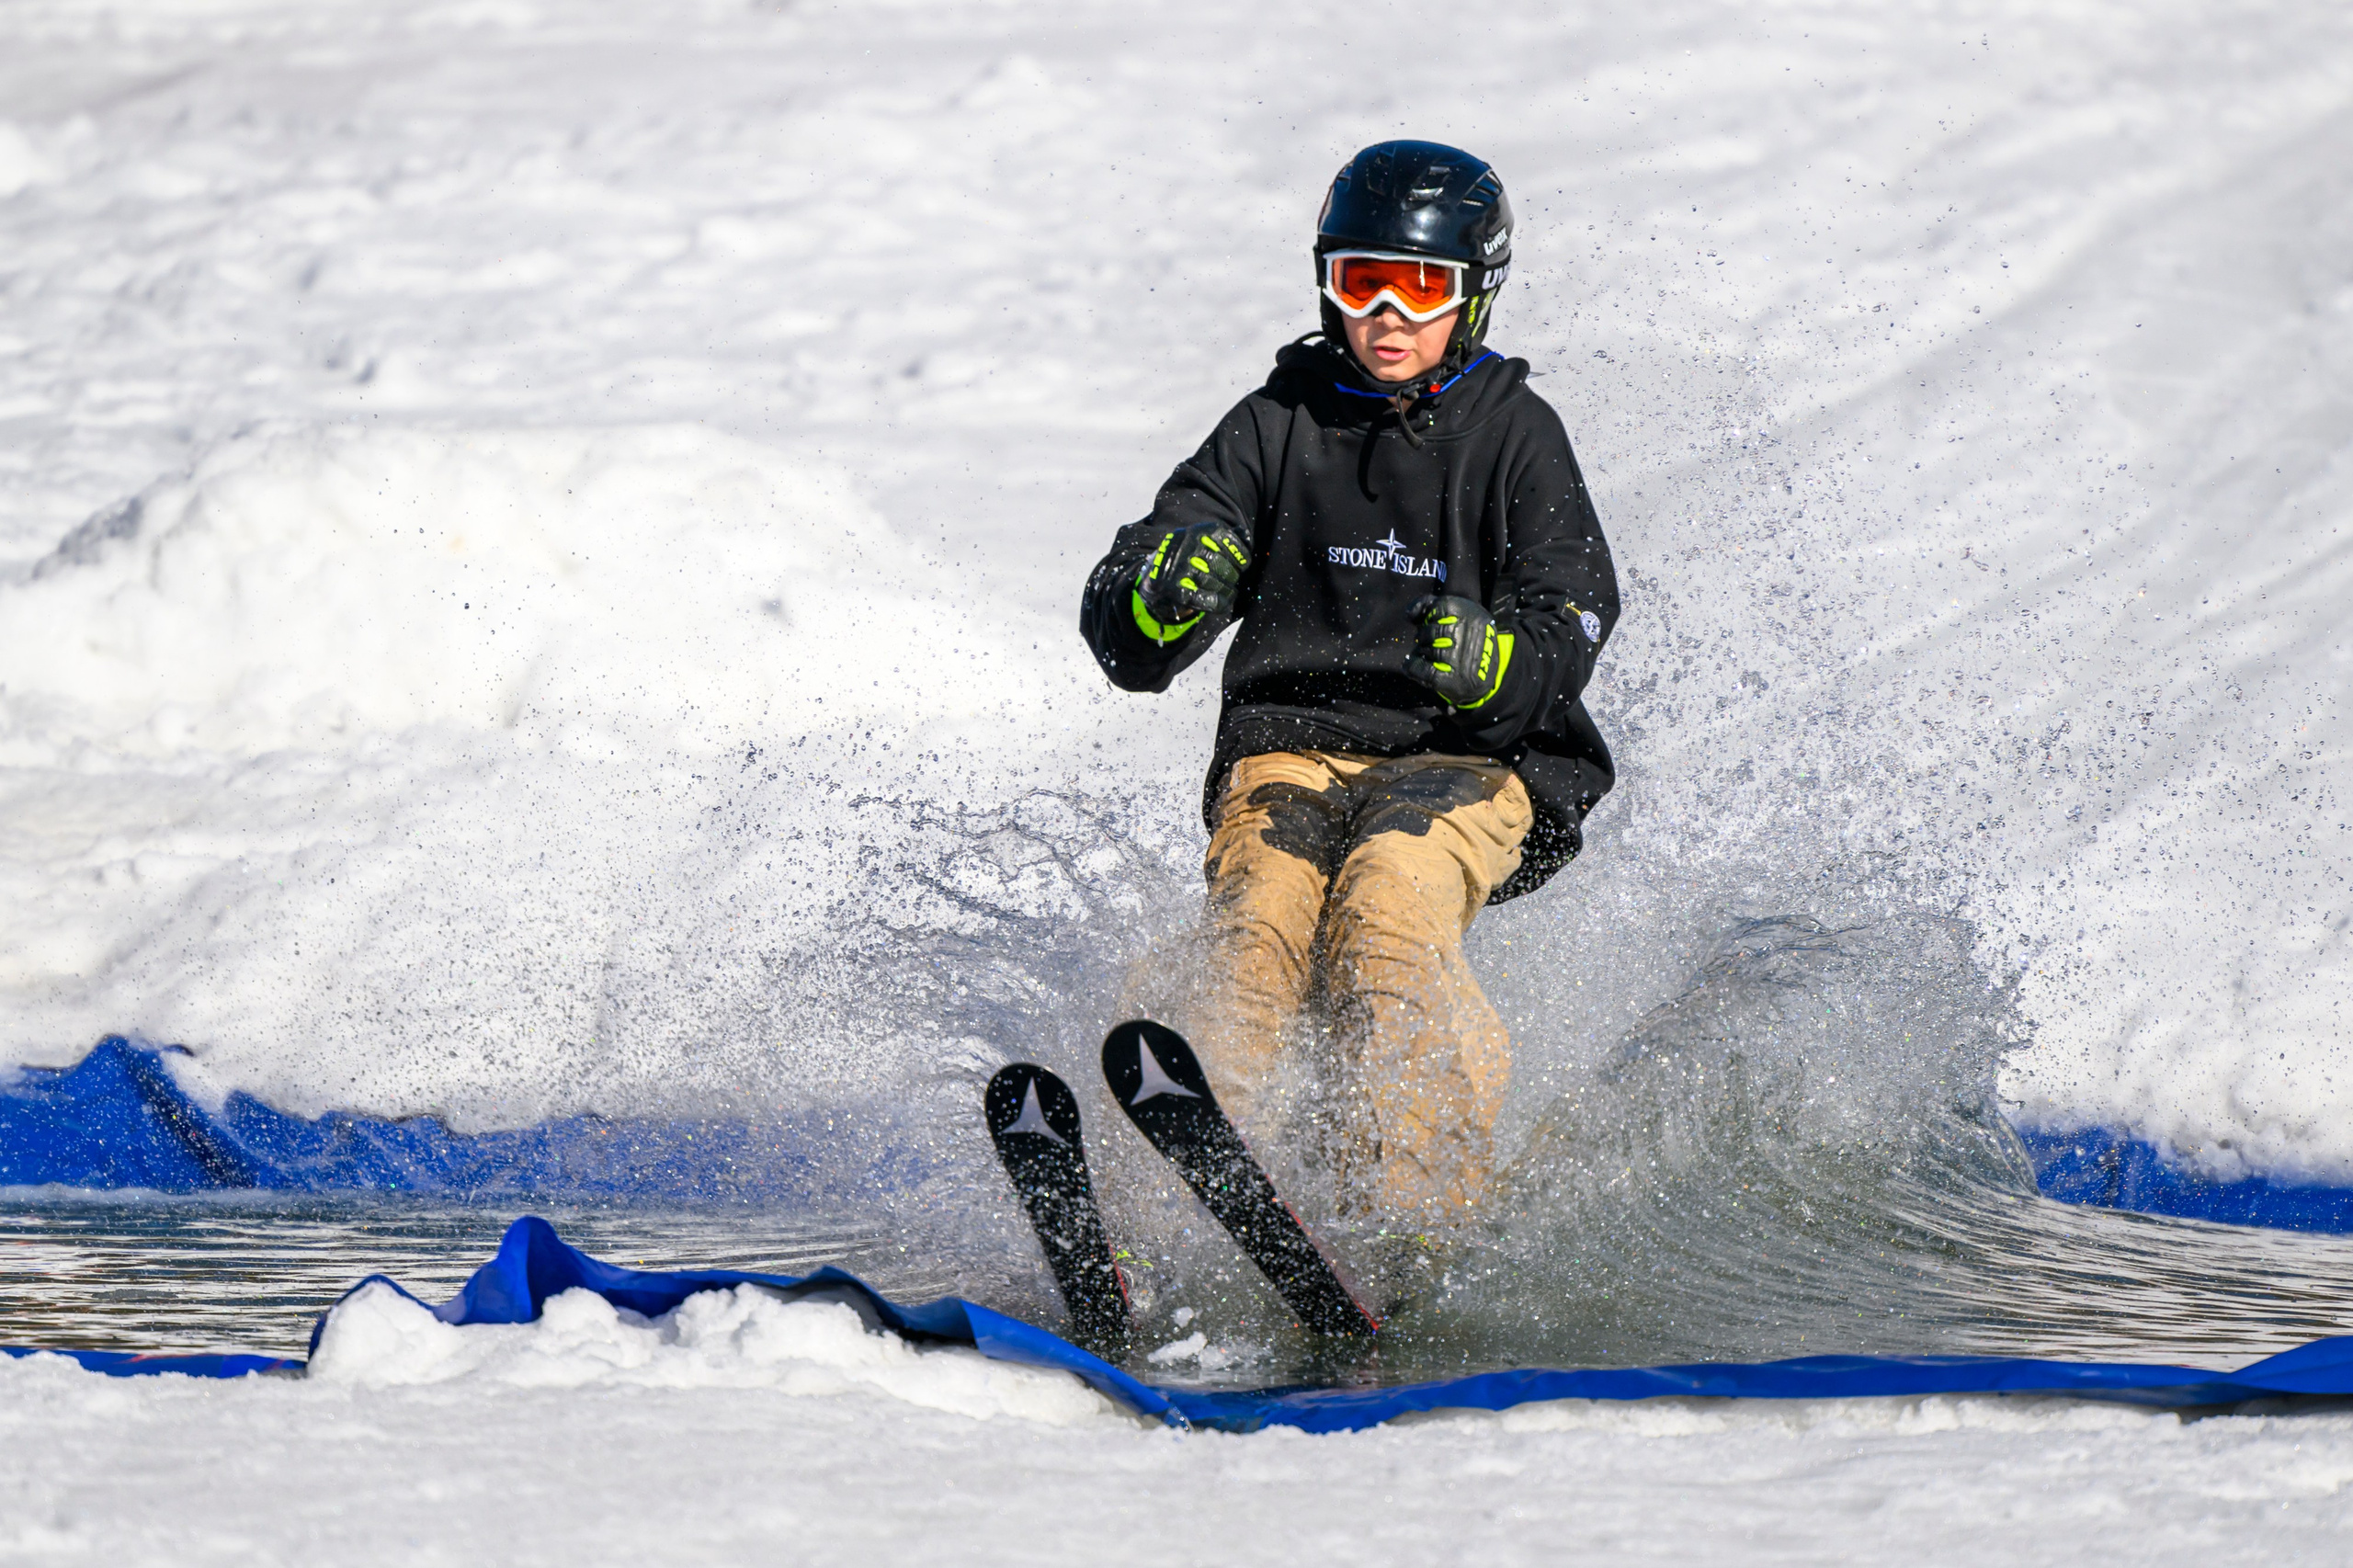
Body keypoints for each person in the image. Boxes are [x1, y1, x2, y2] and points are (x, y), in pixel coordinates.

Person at [1080, 140, 1620, 1253]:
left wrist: (1500, 661)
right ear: (1325, 280)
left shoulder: (1517, 434)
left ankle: (1416, 1220)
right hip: (1292, 750)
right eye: (1358, 281)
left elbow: (1574, 613)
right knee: (1257, 926)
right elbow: (1144, 602)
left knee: (1381, 903)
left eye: (1420, 287)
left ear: (1474, 296)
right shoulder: (1277, 423)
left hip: (1466, 762)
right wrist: (1155, 594)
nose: (1384, 313)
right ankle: (1158, 1206)